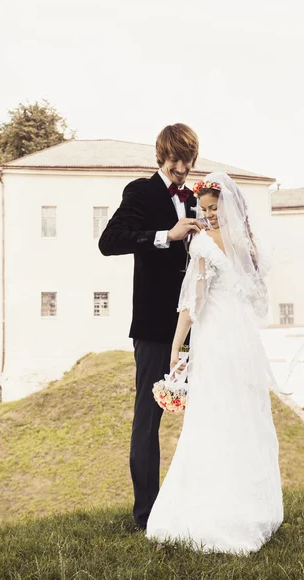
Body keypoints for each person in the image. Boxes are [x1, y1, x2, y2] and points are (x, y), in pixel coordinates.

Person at [146, 172, 283, 554]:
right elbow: (257, 301)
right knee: (241, 417)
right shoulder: (249, 246)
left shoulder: (203, 244)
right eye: (203, 209)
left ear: (227, 207)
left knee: (215, 418)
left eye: (213, 208)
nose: (208, 215)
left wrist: (176, 346)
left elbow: (194, 301)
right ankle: (248, 507)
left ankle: (218, 511)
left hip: (217, 339)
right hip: (241, 340)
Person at [98, 124, 203, 529]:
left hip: (200, 323)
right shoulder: (140, 192)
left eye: (187, 161)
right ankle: (147, 514)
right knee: (148, 419)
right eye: (175, 161)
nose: (181, 169)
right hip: (156, 326)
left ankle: (197, 502)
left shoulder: (197, 197)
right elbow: (110, 241)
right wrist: (166, 235)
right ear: (161, 157)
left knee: (208, 412)